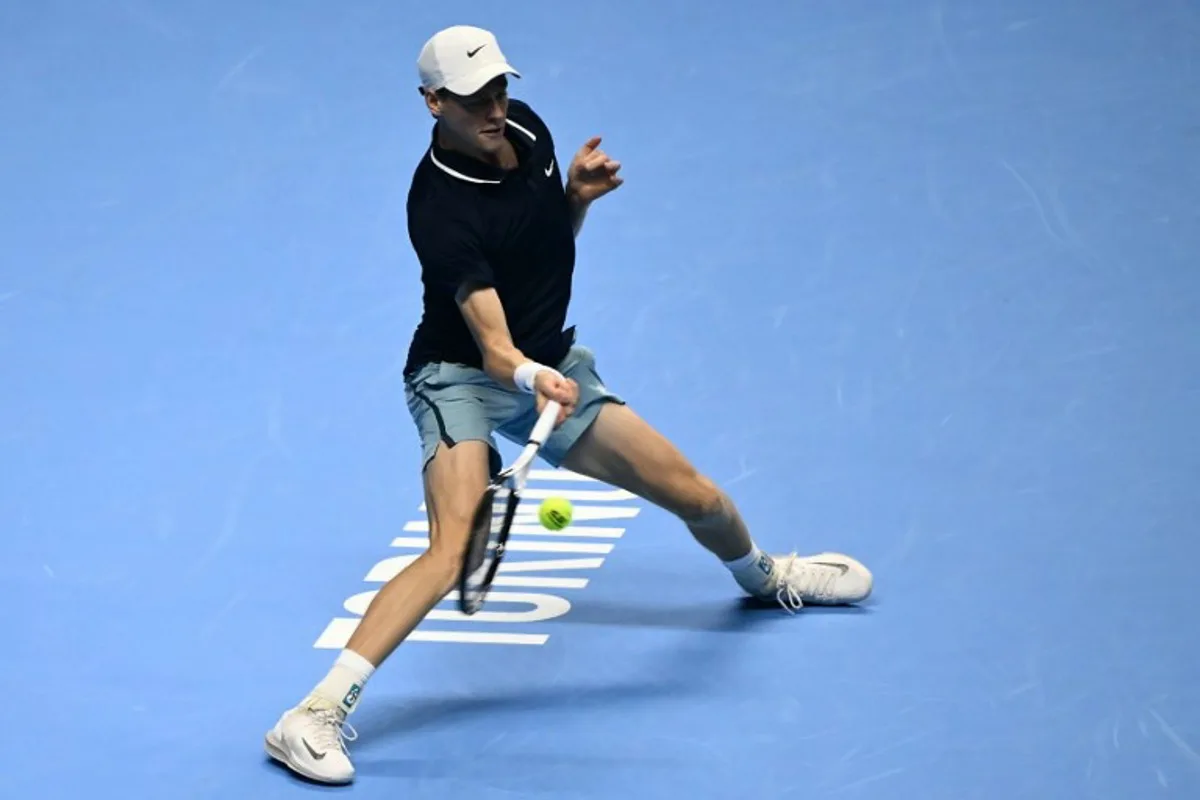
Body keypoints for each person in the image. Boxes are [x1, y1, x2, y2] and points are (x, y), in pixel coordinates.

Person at [265, 24, 873, 785]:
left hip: (549, 365)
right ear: (431, 103)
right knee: (451, 550)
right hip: (461, 377)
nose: (492, 107)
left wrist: (576, 201)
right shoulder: (440, 211)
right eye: (469, 98)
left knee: (696, 494)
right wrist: (531, 380)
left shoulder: (528, 128)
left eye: (497, 88)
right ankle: (310, 715)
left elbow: (543, 246)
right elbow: (493, 350)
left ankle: (764, 577)